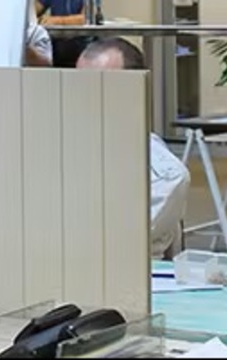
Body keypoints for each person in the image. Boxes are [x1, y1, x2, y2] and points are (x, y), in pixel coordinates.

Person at [76, 38, 191, 260]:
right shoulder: (59, 146)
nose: (85, 98)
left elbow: (107, 246)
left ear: (135, 90)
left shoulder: (164, 176)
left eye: (99, 87)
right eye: (78, 86)